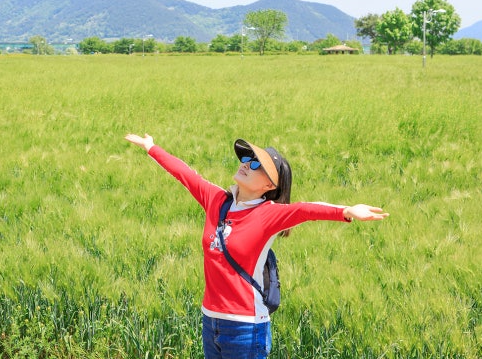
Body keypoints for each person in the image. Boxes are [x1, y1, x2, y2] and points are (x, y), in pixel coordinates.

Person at [124, 133, 389, 359]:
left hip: (245, 328)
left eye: (255, 164)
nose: (245, 164)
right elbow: (184, 173)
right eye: (245, 159)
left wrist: (347, 210)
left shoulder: (268, 214)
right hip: (210, 321)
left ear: (269, 185)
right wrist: (151, 147)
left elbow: (305, 210)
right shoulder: (217, 200)